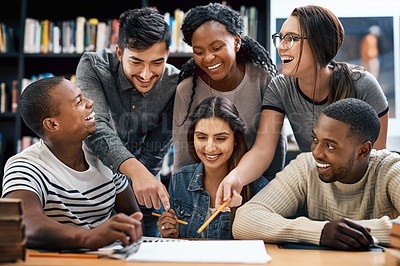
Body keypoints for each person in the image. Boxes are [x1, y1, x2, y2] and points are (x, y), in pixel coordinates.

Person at [217, 5, 389, 210]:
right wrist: (236, 177)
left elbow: (377, 158)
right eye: (280, 38)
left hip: (360, 194)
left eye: (291, 38)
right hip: (317, 191)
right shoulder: (280, 87)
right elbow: (263, 150)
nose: (281, 46)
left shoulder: (363, 84)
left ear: (319, 43)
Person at [233, 98, 400, 250]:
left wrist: (349, 232)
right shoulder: (305, 167)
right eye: (315, 140)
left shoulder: (391, 169)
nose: (317, 153)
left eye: (330, 146)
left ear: (363, 151)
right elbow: (244, 221)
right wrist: (321, 231)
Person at [2, 77, 143, 250]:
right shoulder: (25, 166)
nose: (90, 102)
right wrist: (89, 238)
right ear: (52, 124)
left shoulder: (103, 154)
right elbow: (23, 223)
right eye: (79, 101)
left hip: (109, 259)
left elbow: (133, 217)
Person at [74, 7, 180, 236]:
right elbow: (95, 126)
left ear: (168, 54)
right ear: (120, 52)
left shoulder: (175, 83)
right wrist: (136, 171)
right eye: (137, 62)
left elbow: (157, 149)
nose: (145, 74)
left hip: (143, 190)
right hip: (90, 187)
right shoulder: (93, 65)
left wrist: (138, 183)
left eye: (157, 63)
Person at [172, 3, 286, 186]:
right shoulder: (187, 90)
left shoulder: (261, 80)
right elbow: (183, 159)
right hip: (204, 192)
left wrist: (270, 194)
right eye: (198, 52)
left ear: (236, 41)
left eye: (216, 48)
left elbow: (276, 151)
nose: (208, 58)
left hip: (256, 186)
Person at [158, 97, 268, 239]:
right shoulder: (180, 180)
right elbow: (172, 241)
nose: (210, 147)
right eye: (201, 137)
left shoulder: (258, 188)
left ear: (235, 140)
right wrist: (167, 231)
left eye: (221, 139)